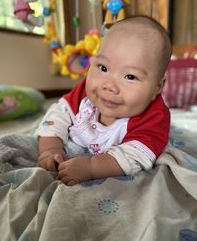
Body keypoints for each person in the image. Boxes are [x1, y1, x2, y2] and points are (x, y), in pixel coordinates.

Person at [36, 15, 172, 186]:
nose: (110, 86)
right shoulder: (84, 93)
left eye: (130, 76)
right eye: (103, 68)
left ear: (157, 88)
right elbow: (57, 115)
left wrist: (92, 167)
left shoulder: (154, 117)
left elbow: (135, 156)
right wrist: (50, 149)